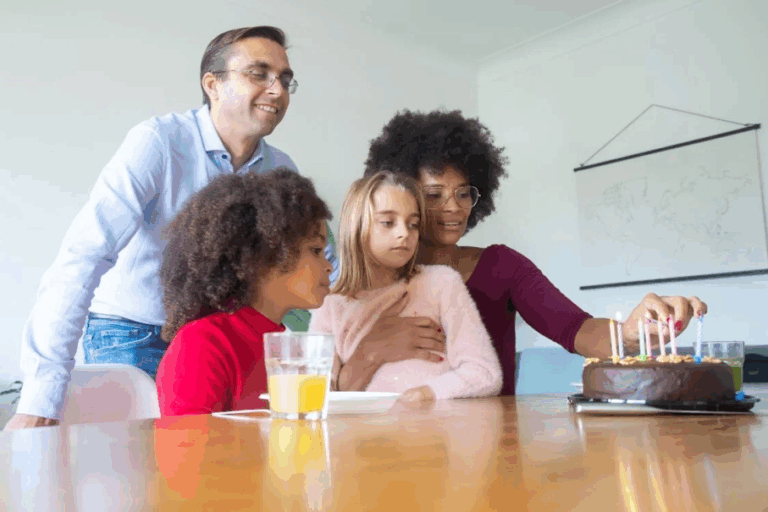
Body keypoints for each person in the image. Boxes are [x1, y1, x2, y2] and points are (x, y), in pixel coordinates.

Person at [6, 26, 338, 431]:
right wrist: (41, 398)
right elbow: (83, 256)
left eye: (285, 80)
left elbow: (327, 271)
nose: (277, 89)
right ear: (212, 85)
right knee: (152, 477)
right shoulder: (158, 143)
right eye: (259, 73)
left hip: (221, 340)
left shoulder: (280, 169)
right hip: (133, 333)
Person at [339, 108, 708, 396]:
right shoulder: (373, 279)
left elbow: (575, 327)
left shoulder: (502, 266)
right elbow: (335, 389)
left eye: (464, 192)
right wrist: (371, 350)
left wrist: (630, 334)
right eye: (434, 195)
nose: (454, 207)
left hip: (490, 446)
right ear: (407, 197)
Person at [309, 171, 502, 401]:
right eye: (388, 222)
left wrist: (425, 394)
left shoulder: (441, 283)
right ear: (356, 226)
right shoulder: (330, 304)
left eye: (413, 224)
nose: (404, 233)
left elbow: (485, 373)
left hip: (437, 430)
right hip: (359, 434)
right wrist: (370, 353)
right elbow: (316, 396)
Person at [156, 169, 333, 416]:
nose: (328, 266)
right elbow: (186, 449)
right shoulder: (201, 345)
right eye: (315, 250)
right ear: (264, 256)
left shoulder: (284, 346)